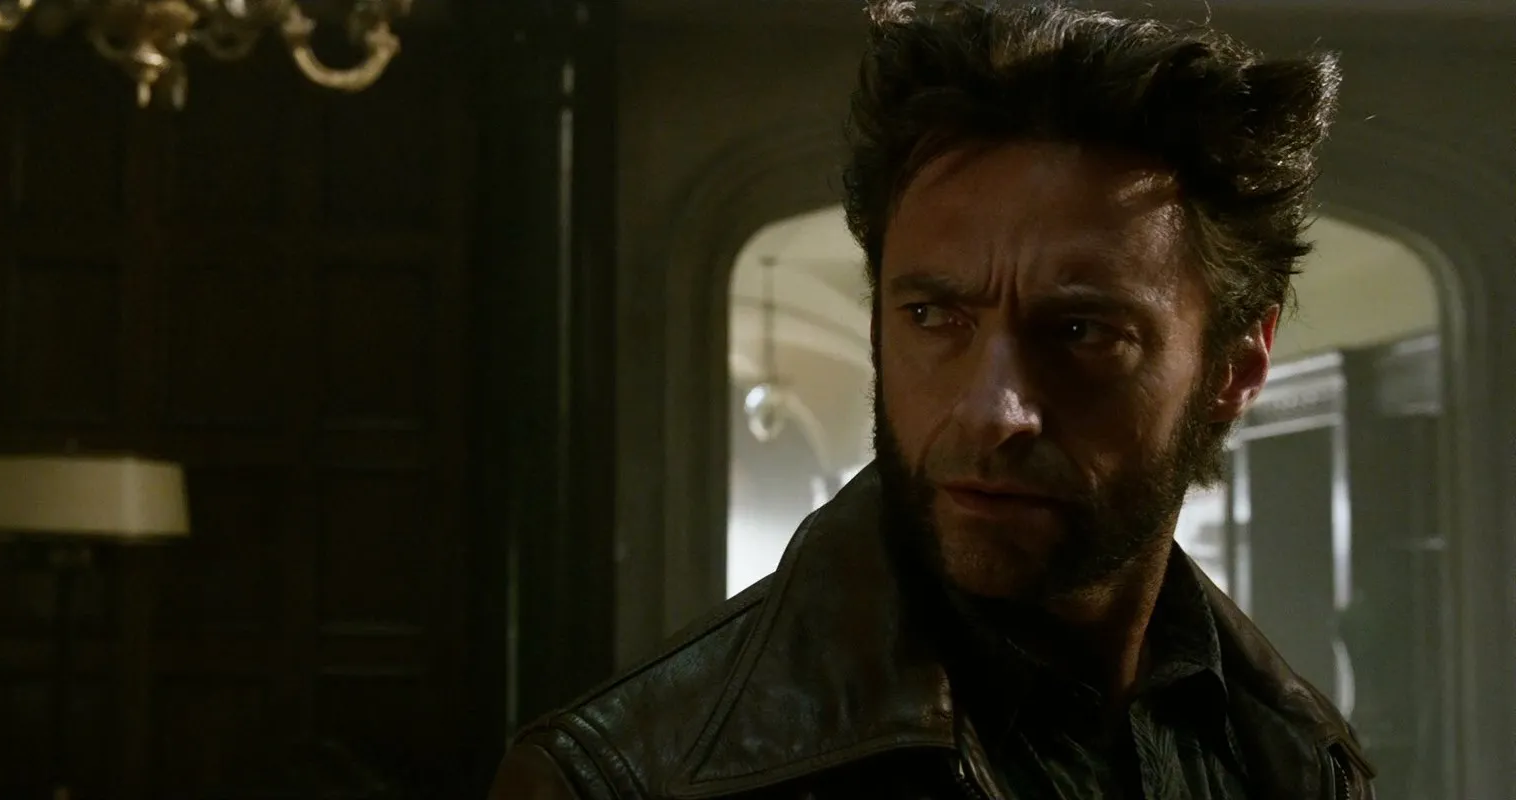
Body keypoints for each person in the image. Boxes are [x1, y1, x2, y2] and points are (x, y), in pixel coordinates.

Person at [488, 1, 1375, 798]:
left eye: (1080, 332)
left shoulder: (1290, 755)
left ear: (1236, 365)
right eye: (933, 316)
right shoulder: (626, 779)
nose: (993, 411)